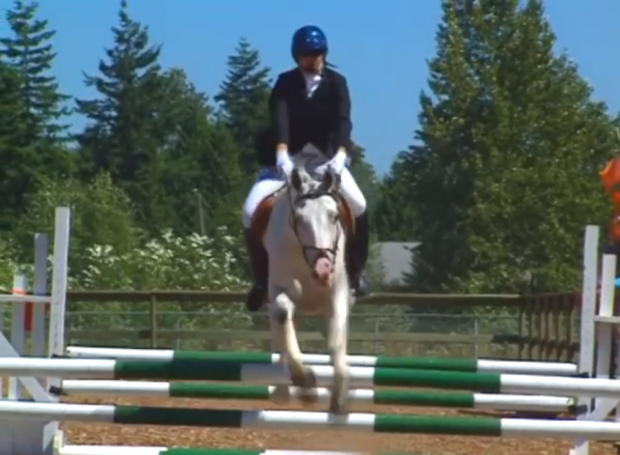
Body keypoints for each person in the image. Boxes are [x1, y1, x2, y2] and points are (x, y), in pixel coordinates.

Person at [242, 24, 370, 311]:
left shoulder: (337, 83)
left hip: (328, 159)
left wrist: (339, 154)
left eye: (313, 54)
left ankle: (357, 271)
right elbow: (280, 119)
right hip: (289, 158)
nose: (309, 60)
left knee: (359, 205)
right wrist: (282, 153)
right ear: (296, 56)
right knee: (251, 211)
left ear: (323, 54)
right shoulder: (285, 83)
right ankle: (262, 280)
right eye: (303, 55)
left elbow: (342, 121)